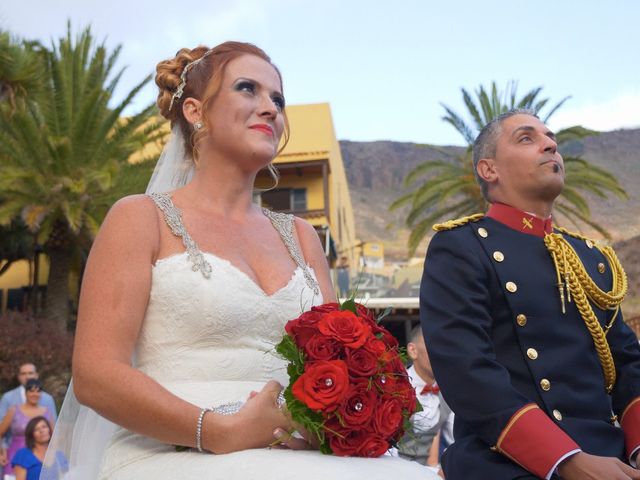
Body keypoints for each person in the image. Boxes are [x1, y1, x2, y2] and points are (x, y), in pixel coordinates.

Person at [47, 41, 434, 479]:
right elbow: (97, 374)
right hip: (174, 449)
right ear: (195, 112)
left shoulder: (303, 237)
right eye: (248, 89)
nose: (269, 108)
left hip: (294, 450)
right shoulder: (141, 218)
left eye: (278, 99)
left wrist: (331, 424)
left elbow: (337, 366)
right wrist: (216, 430)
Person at [420, 108, 640, 480]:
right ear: (489, 170)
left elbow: (628, 367)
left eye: (550, 137)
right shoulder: (461, 247)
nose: (551, 145)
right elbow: (468, 372)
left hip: (612, 457)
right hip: (510, 463)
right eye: (527, 138)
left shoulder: (591, 258)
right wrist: (567, 461)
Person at [397, 325, 453, 476]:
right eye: (433, 347)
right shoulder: (395, 390)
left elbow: (454, 439)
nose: (440, 355)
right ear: (413, 351)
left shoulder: (448, 392)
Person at [0, 379, 55, 477]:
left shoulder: (46, 411)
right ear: (25, 393)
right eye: (31, 391)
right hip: (15, 453)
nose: (35, 394)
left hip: (39, 456)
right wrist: (1, 451)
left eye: (38, 391)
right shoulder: (14, 410)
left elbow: (54, 436)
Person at [11, 416, 67, 480]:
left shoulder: (59, 455)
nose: (41, 431)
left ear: (49, 429)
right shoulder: (23, 455)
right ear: (31, 434)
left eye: (44, 427)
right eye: (36, 429)